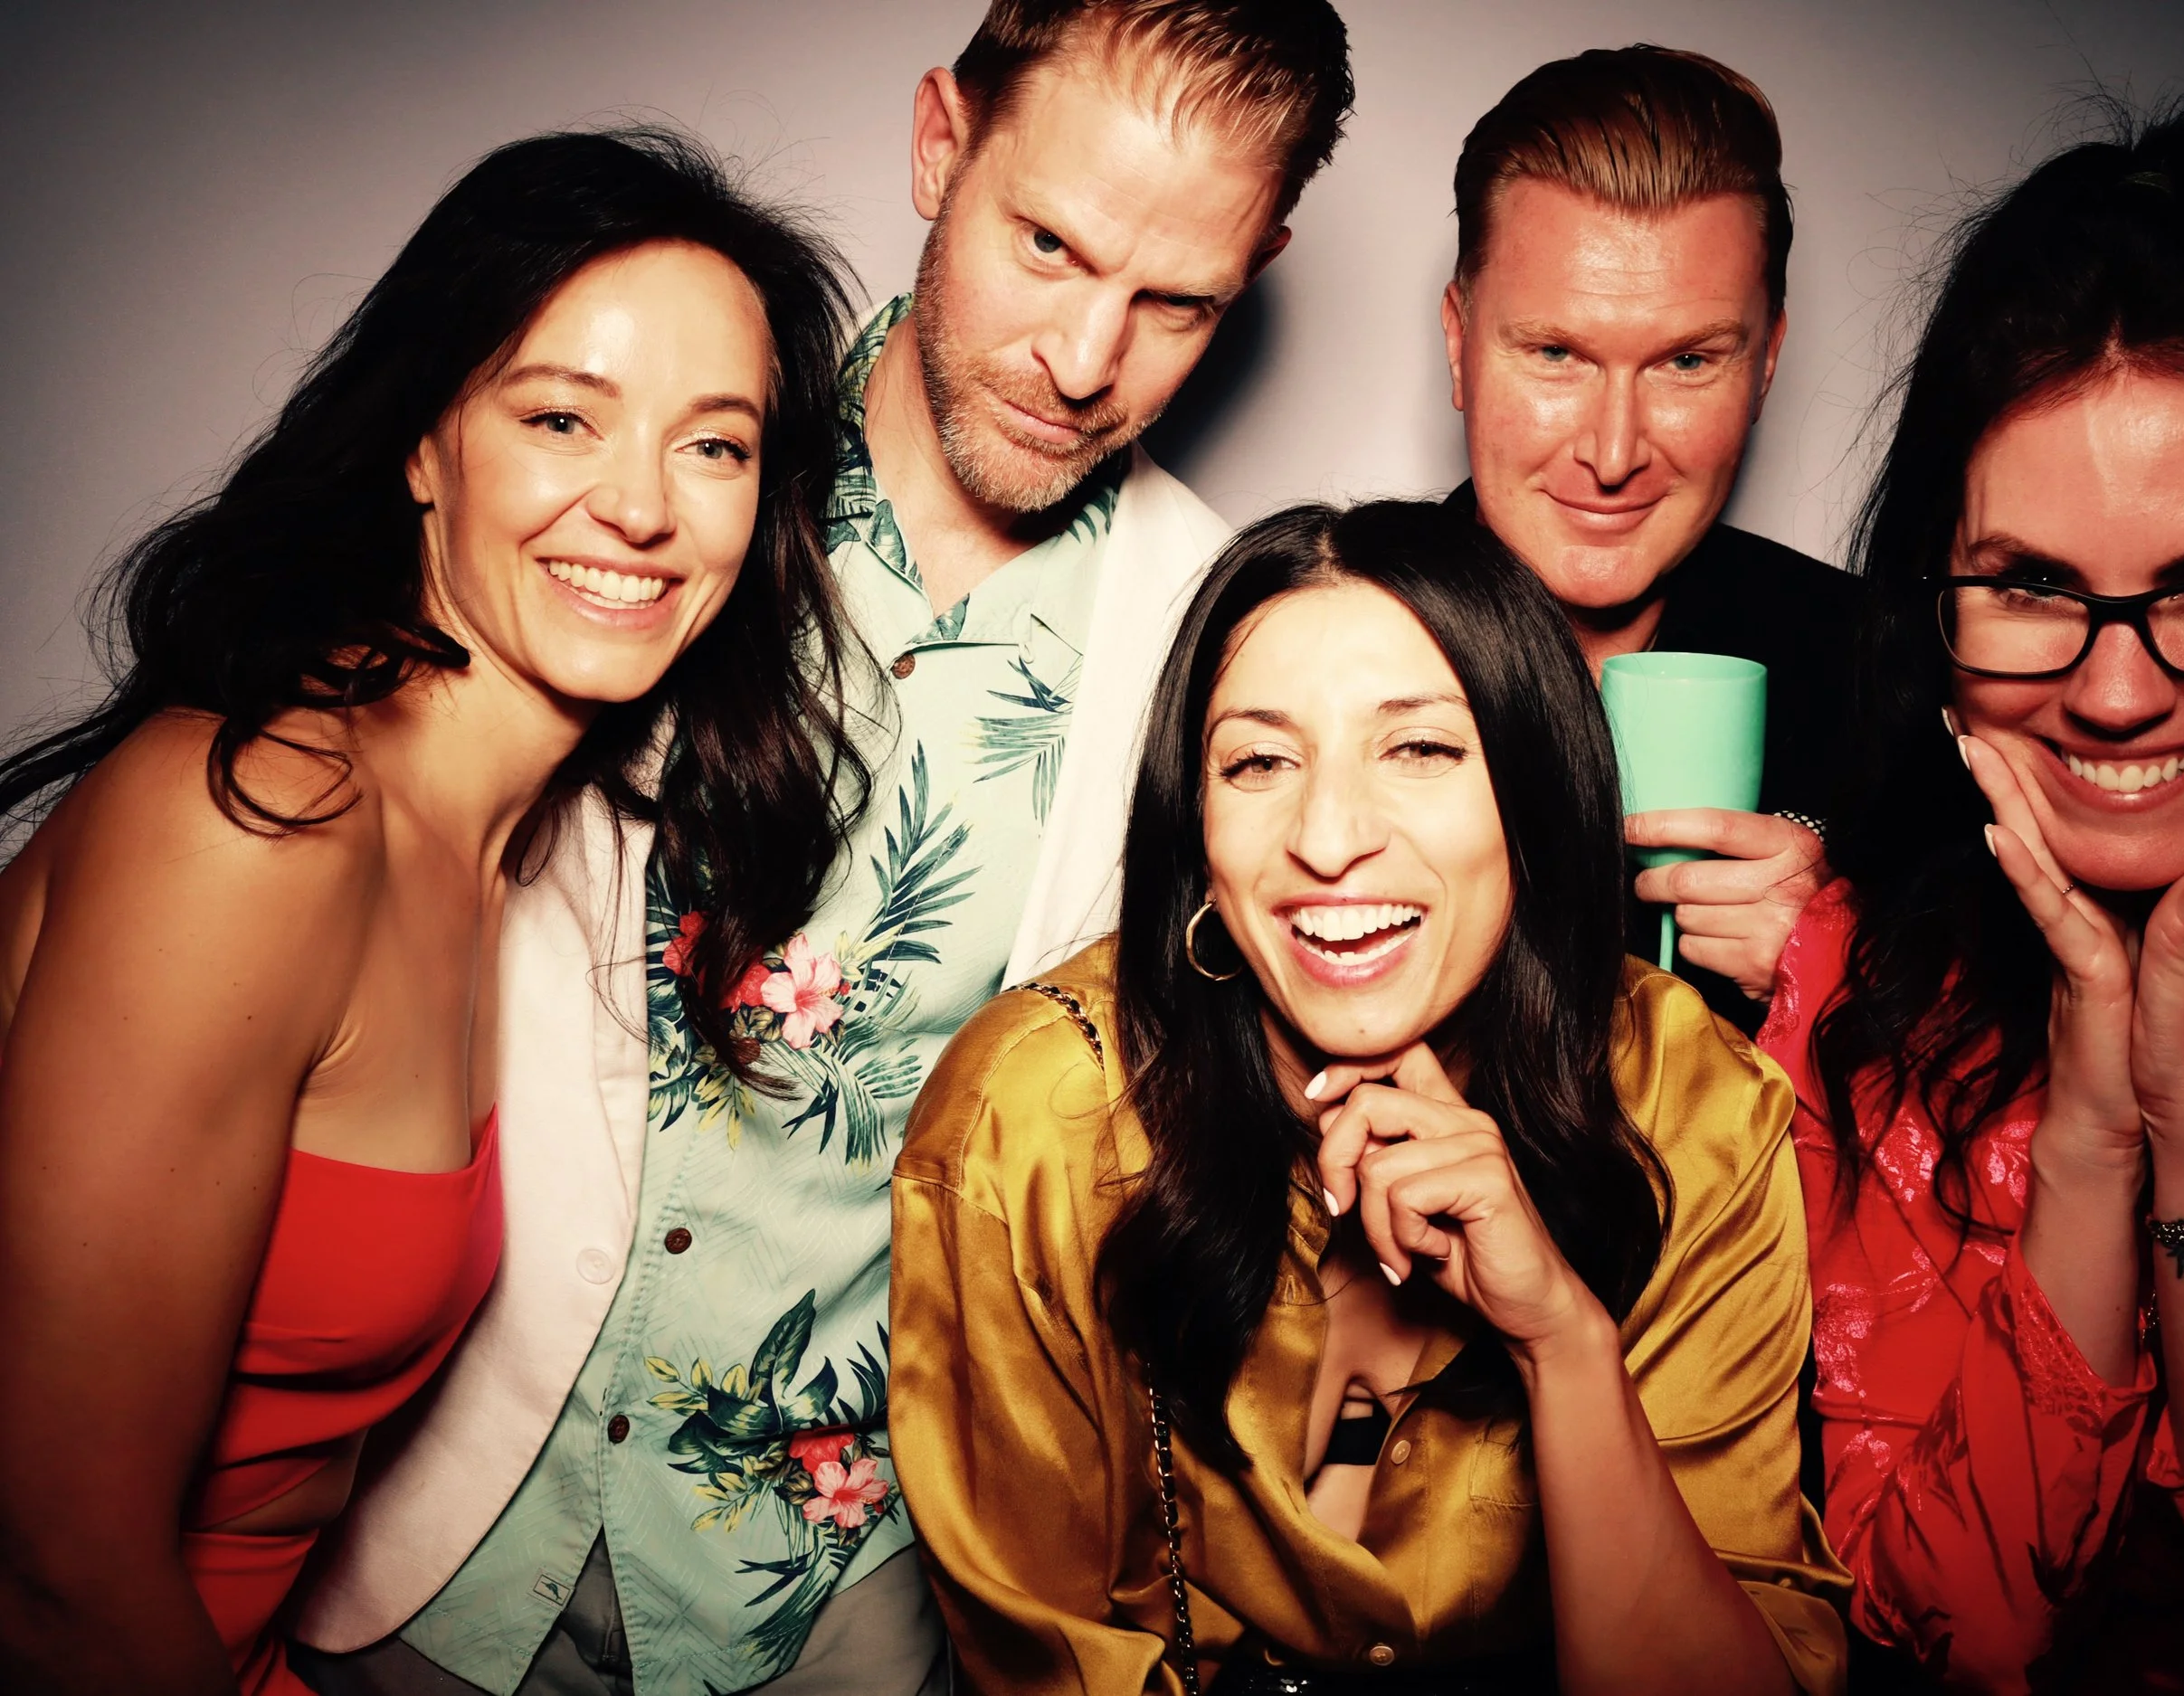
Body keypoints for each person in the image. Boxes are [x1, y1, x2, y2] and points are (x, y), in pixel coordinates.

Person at [291, 5, 1356, 1693]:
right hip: (438, 1523)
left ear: (1261, 263)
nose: (1086, 355)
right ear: (940, 140)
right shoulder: (657, 473)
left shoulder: (1221, 640)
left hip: (836, 1606)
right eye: (1047, 246)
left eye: (1177, 303)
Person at [0, 128, 863, 1696]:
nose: (642, 509)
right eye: (560, 418)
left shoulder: (515, 849)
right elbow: (53, 1573)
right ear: (423, 444)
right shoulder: (258, 820)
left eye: (715, 446)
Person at [890, 499, 1848, 1693]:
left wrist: (1561, 1340)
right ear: (1197, 827)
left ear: (1533, 791)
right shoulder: (1029, 1117)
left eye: (1421, 749)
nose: (1330, 836)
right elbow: (1040, 1654)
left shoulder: (1692, 1102)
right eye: (1258, 761)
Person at [1759, 105, 2184, 1691]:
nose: (2119, 691)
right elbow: (1944, 1637)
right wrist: (2098, 1138)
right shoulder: (1849, 978)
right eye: (2036, 587)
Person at [1439, 45, 1857, 1033]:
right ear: (1458, 345)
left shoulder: (1893, 670)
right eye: (1554, 354)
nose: (1614, 452)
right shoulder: (1313, 648)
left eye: (1685, 361)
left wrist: (1840, 967)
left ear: (1766, 364)